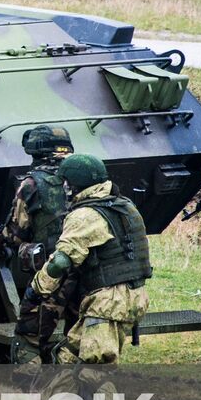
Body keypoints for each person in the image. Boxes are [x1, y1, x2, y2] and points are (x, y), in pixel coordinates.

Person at [29, 155, 150, 374]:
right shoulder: (124, 205)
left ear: (76, 184)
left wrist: (38, 287)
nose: (64, 188)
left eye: (66, 182)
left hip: (108, 302)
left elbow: (62, 260)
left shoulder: (86, 215)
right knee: (67, 358)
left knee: (95, 370)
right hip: (131, 295)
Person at [5, 125, 77, 368]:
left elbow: (17, 233)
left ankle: (31, 387)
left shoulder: (32, 184)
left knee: (30, 333)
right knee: (77, 331)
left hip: (51, 272)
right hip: (87, 268)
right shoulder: (88, 177)